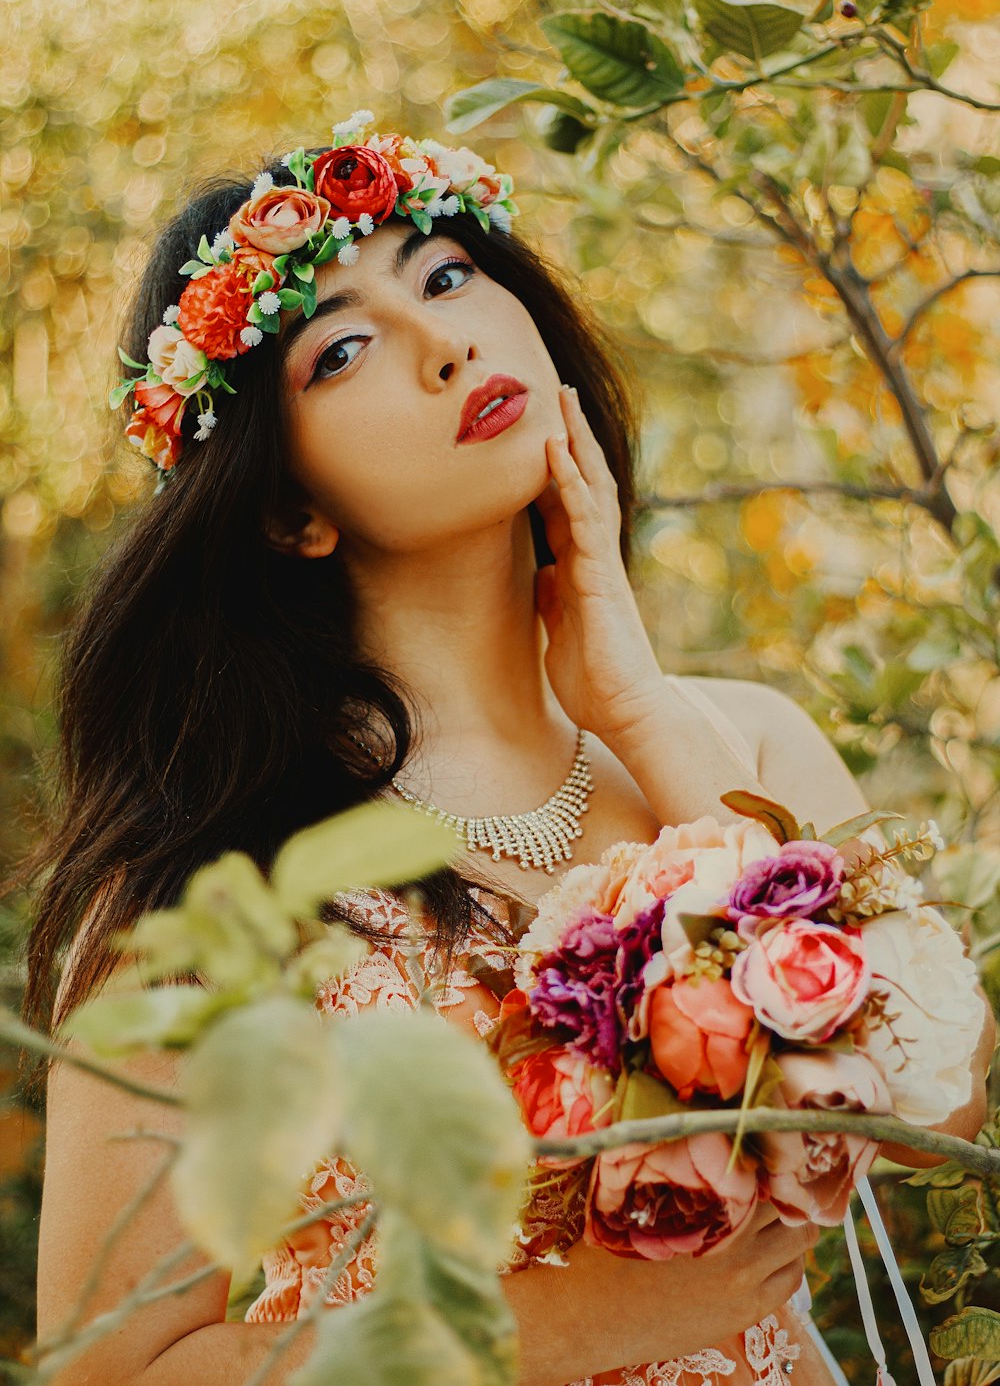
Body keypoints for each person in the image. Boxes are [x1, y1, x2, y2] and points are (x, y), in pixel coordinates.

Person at [26, 114, 993, 1386]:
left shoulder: (738, 736)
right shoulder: (213, 880)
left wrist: (641, 711)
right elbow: (112, 1368)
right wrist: (549, 1331)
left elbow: (937, 1116)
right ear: (284, 505)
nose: (444, 344)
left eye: (445, 275)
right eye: (345, 350)